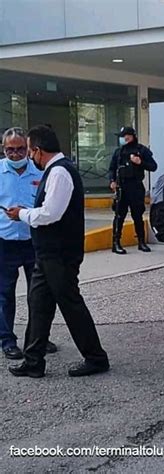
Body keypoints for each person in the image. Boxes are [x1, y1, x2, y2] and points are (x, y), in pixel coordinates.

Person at [6, 125, 109, 378]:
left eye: (30, 151)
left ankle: (96, 358)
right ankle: (33, 361)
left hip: (60, 255)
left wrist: (22, 214)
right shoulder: (55, 171)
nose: (29, 157)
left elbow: (51, 213)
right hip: (47, 253)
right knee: (38, 304)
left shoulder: (60, 173)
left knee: (71, 304)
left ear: (39, 151)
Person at [0, 127, 57, 360]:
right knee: (4, 294)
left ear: (29, 148)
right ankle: (7, 340)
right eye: (9, 150)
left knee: (39, 294)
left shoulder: (40, 170)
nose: (15, 154)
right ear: (4, 149)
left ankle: (37, 338)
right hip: (4, 242)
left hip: (33, 241)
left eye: (20, 149)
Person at [109, 126, 157, 254]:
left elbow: (153, 166)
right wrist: (112, 181)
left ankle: (141, 242)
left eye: (126, 136)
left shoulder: (141, 150)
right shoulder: (118, 152)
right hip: (121, 187)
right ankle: (116, 243)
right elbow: (112, 168)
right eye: (122, 136)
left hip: (135, 186)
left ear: (132, 136)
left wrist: (140, 162)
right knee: (119, 215)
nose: (124, 138)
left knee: (137, 215)